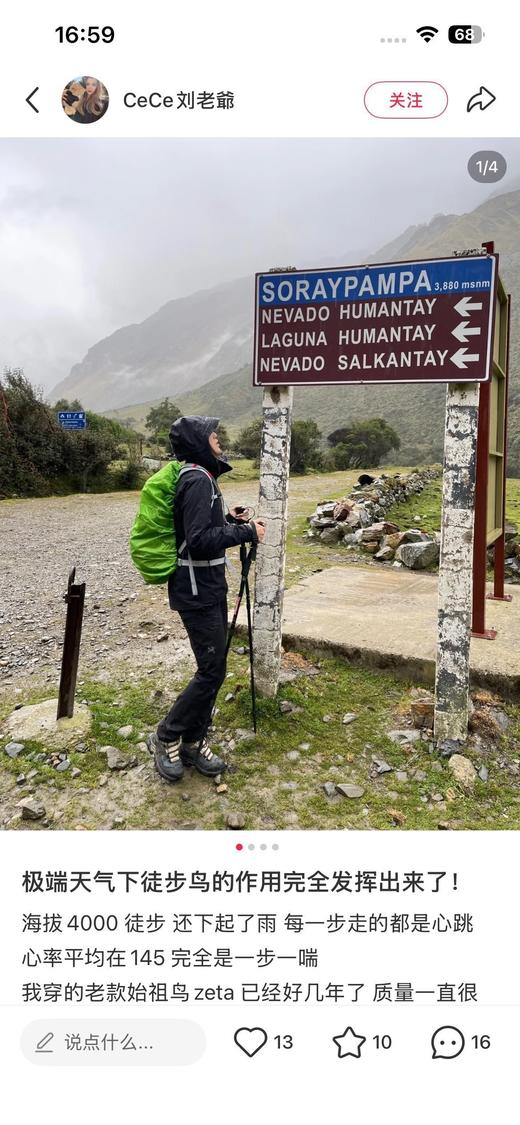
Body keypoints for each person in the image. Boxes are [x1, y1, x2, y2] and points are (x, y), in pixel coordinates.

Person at [147, 415, 266, 783]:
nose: (218, 438)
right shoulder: (198, 479)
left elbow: (194, 529)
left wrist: (228, 520)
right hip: (196, 591)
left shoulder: (200, 477)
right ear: (199, 441)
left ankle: (193, 742)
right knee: (211, 670)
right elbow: (198, 541)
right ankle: (167, 734)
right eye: (212, 434)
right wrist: (246, 531)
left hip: (206, 588)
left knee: (214, 668)